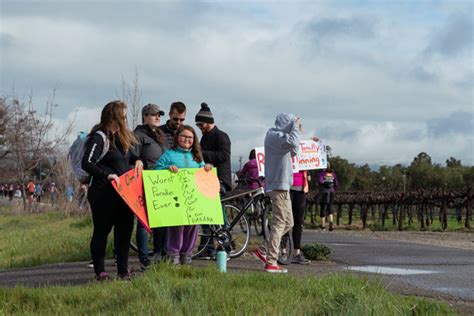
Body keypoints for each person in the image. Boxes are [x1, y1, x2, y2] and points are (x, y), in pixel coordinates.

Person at [82, 100, 143, 281]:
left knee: (124, 232)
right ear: (113, 115)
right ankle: (100, 273)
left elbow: (130, 157)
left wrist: (139, 160)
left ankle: (123, 271)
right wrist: (106, 175)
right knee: (101, 231)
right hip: (103, 194)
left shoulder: (121, 137)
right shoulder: (99, 137)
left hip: (124, 194)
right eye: (122, 114)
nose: (125, 118)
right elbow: (87, 163)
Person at [153, 125, 212, 265]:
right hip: (175, 199)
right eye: (184, 136)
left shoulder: (196, 156)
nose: (187, 139)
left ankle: (187, 256)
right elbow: (156, 170)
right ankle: (173, 256)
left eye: (190, 137)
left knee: (192, 226)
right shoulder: (169, 154)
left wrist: (207, 168)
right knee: (176, 226)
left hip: (193, 198)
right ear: (177, 137)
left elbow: (203, 170)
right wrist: (167, 168)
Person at [254, 113, 301, 273]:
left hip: (283, 185)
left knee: (289, 223)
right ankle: (271, 261)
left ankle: (264, 250)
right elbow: (293, 141)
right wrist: (295, 126)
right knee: (281, 222)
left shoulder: (279, 138)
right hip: (278, 185)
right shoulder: (274, 136)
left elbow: (294, 150)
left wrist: (296, 130)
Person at [195, 102, 232, 258]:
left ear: (209, 122)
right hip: (207, 181)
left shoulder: (221, 136)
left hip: (220, 180)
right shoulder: (204, 138)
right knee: (205, 214)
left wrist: (203, 155)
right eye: (197, 125)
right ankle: (207, 247)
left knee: (218, 214)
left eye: (201, 124)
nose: (199, 127)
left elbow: (224, 155)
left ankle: (226, 247)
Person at [133, 103, 168, 268]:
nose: (158, 117)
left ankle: (160, 253)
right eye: (154, 114)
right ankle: (144, 259)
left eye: (159, 115)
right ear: (145, 116)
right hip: (146, 181)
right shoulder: (138, 134)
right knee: (143, 222)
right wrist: (137, 159)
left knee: (161, 220)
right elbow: (131, 154)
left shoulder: (161, 134)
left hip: (162, 182)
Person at [288, 170, 311, 264]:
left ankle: (295, 253)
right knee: (285, 221)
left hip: (300, 189)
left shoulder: (304, 155)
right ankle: (283, 252)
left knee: (298, 222)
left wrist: (308, 174)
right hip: (287, 187)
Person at [318, 162, 339, 231]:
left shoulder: (321, 173)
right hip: (332, 192)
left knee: (323, 207)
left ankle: (323, 225)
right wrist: (333, 189)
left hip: (324, 192)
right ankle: (331, 222)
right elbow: (336, 184)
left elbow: (320, 181)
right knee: (330, 207)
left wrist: (324, 182)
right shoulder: (333, 174)